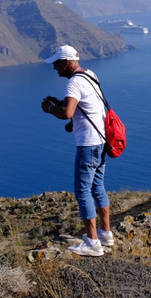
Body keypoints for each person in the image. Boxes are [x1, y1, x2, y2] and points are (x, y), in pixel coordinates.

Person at [38, 45, 114, 257]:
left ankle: (92, 243)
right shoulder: (90, 75)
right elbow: (87, 104)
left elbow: (67, 112)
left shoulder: (73, 83)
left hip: (88, 145)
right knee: (97, 186)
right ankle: (106, 233)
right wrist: (59, 102)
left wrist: (51, 109)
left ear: (66, 62)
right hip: (101, 141)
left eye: (56, 63)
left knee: (82, 191)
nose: (54, 67)